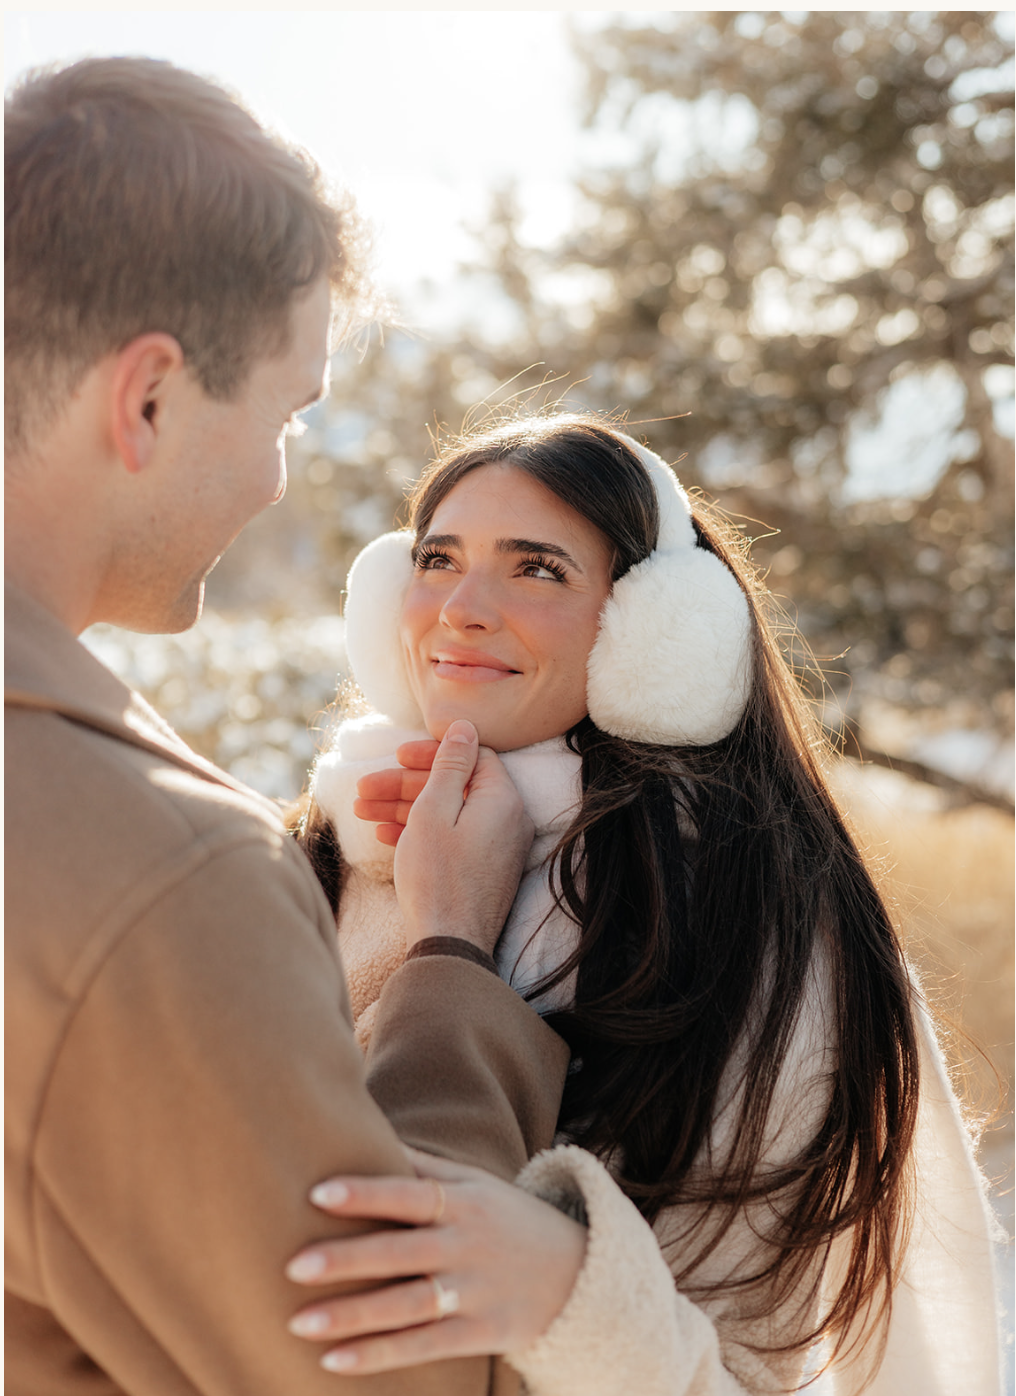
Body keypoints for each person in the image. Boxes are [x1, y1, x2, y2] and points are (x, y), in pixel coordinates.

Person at [4, 58, 586, 1396]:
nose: (281, 473)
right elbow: (398, 1374)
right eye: (291, 412)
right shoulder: (156, 879)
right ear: (147, 400)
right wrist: (449, 966)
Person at [284, 414, 1002, 1393]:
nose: (459, 606)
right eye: (434, 559)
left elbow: (751, 1364)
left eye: (535, 568)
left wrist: (569, 1291)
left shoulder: (742, 919)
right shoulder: (321, 846)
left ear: (650, 630)